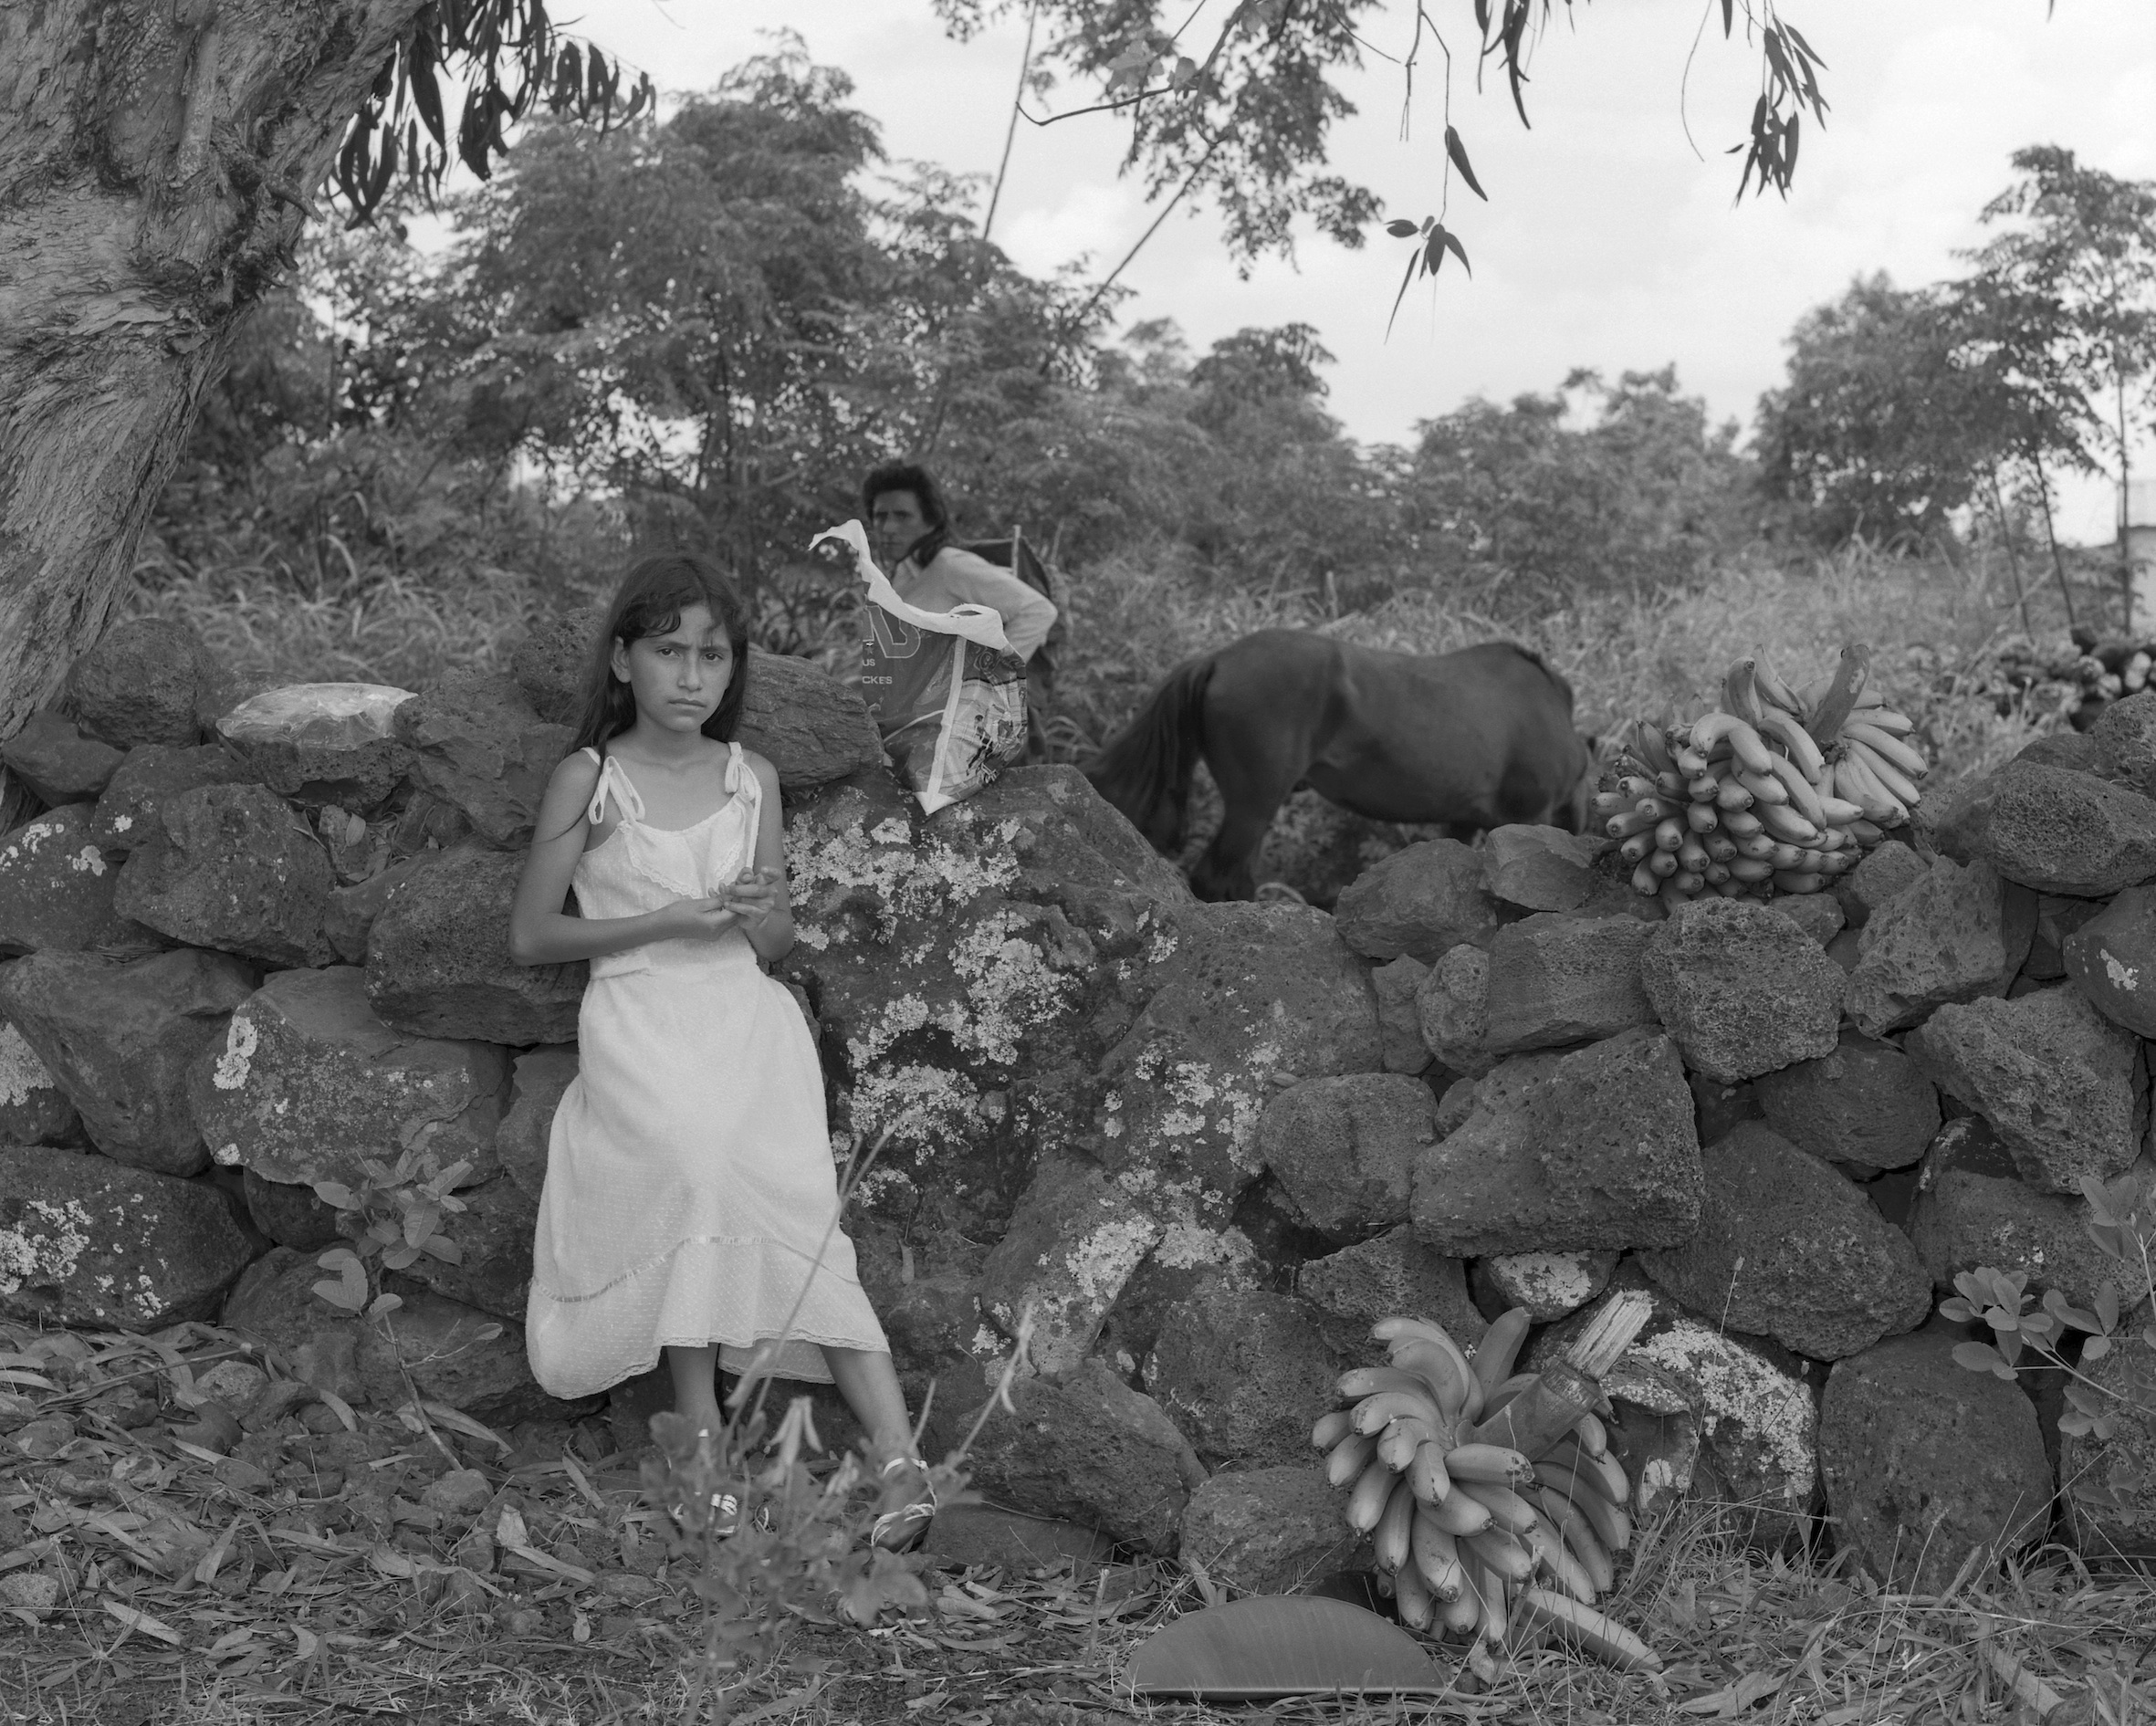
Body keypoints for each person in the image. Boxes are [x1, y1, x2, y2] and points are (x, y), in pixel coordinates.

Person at [508, 552, 932, 1549]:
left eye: (712, 656)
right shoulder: (590, 778)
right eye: (669, 652)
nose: (692, 676)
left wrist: (758, 911)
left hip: (745, 1021)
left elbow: (775, 942)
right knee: (694, 1171)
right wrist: (664, 918)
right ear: (623, 661)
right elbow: (531, 934)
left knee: (802, 1220)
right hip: (641, 1020)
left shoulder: (752, 779)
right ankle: (703, 1439)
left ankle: (901, 1462)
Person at [860, 461, 1059, 727]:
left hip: (953, 733)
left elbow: (1038, 611)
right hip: (909, 729)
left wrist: (981, 688)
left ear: (930, 520)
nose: (887, 528)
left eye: (902, 516)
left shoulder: (949, 564)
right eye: (880, 516)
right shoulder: (901, 576)